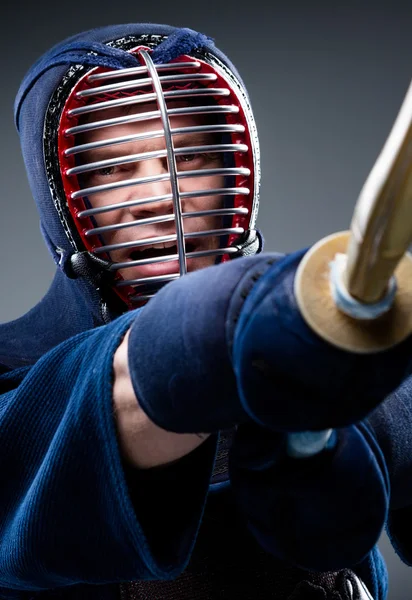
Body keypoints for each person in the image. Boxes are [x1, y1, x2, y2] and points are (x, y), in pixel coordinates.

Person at [1, 22, 412, 600]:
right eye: (115, 169)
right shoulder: (12, 375)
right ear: (62, 195)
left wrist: (386, 410)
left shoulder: (325, 339)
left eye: (190, 155)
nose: (159, 195)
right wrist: (205, 337)